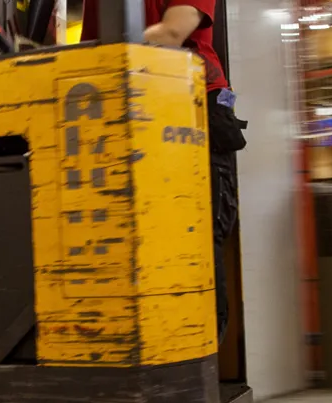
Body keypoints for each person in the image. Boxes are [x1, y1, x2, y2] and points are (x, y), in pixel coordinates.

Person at [81, 0, 248, 344]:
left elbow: (172, 32)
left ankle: (197, 351)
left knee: (194, 233)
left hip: (191, 104)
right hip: (127, 103)